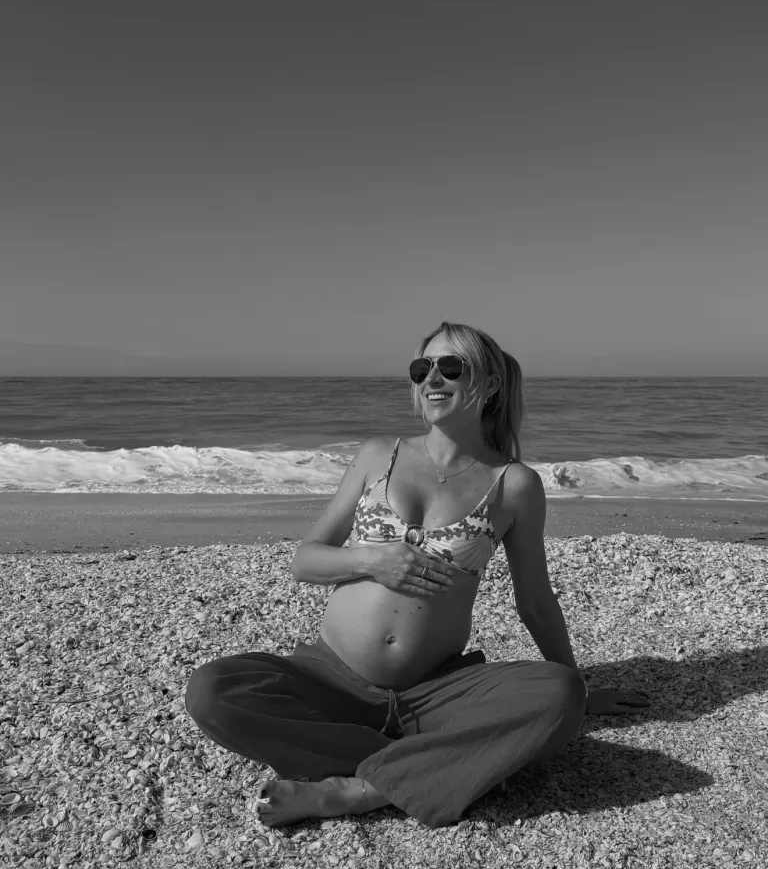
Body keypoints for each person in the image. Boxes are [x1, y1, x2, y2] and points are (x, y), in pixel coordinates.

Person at [185, 321, 649, 829]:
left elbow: (535, 600)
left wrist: (582, 691)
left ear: (490, 384)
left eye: (451, 366)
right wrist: (370, 561)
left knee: (559, 694)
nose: (432, 378)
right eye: (422, 367)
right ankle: (435, 763)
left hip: (436, 692)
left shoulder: (515, 484)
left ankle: (358, 789)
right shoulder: (377, 456)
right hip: (331, 679)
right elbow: (306, 559)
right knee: (212, 689)